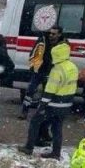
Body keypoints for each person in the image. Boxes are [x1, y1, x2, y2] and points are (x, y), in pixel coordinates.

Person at [19, 26, 77, 159]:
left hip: (53, 103)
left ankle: (29, 147)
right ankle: (56, 152)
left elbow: (49, 92)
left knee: (35, 121)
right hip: (66, 104)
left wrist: (42, 106)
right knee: (57, 128)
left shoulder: (56, 70)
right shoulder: (72, 67)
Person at [20, 32, 51, 119]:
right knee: (30, 91)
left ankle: (42, 112)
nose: (51, 35)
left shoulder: (58, 42)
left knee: (46, 94)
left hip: (48, 70)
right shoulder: (42, 39)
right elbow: (33, 53)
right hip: (38, 70)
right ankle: (25, 111)